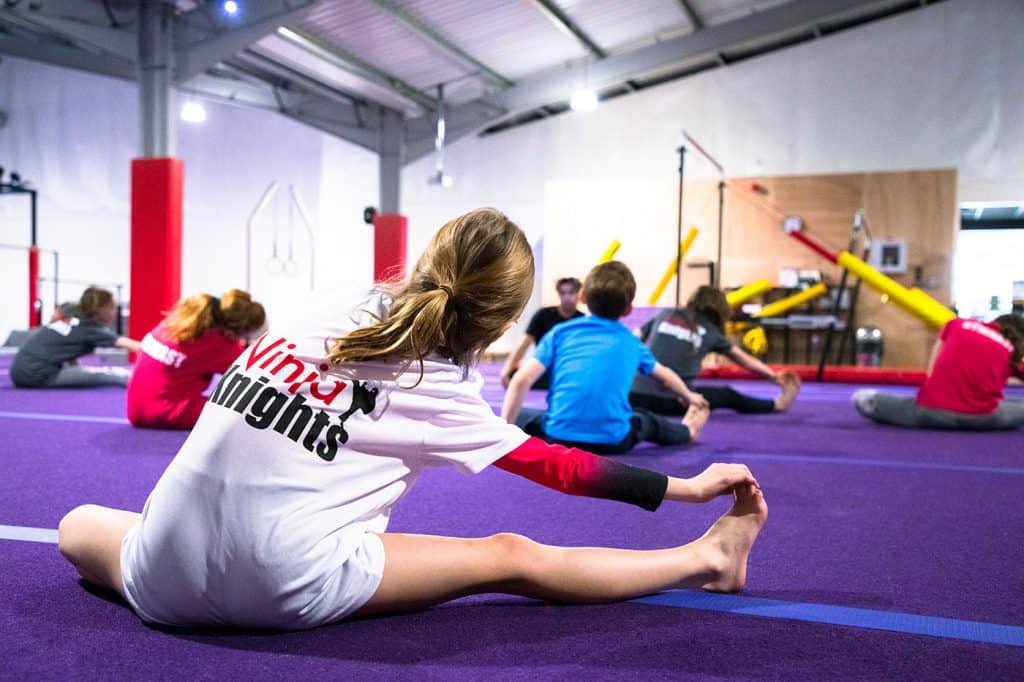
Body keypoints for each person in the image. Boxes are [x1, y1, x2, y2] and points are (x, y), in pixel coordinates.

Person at [57, 208, 767, 630]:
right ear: (505, 318)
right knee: (512, 555)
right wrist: (688, 487)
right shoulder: (442, 389)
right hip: (283, 583)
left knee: (75, 524)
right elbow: (560, 468)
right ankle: (706, 558)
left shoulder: (316, 310)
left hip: (159, 580)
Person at [502, 261, 711, 455]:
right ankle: (687, 432)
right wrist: (688, 395)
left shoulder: (560, 333)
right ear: (629, 309)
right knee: (646, 421)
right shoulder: (631, 342)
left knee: (523, 416)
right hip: (612, 441)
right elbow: (664, 376)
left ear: (582, 296)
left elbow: (521, 380)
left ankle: (503, 430)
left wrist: (506, 429)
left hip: (558, 437)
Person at [629, 286, 801, 416]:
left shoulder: (666, 314)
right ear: (719, 310)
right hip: (675, 400)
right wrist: (774, 377)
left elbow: (634, 338)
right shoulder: (710, 331)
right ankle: (776, 405)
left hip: (632, 397)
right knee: (727, 395)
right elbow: (744, 360)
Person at [853, 314, 1024, 430]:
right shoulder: (1009, 350)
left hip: (929, 413)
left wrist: (932, 382)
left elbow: (936, 356)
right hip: (981, 419)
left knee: (863, 397)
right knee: (1005, 404)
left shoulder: (958, 323)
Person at [126, 289, 266, 430]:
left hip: (135, 410)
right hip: (168, 412)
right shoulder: (221, 345)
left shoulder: (176, 323)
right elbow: (256, 374)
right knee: (248, 410)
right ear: (237, 330)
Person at [10, 286, 139, 388]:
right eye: (112, 308)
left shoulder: (72, 316)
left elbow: (66, 348)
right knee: (108, 374)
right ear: (102, 309)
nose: (114, 312)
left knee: (85, 371)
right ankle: (141, 384)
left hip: (19, 372)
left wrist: (77, 370)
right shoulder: (90, 328)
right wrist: (158, 353)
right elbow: (132, 346)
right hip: (38, 375)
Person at [500, 277, 583, 389]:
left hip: (569, 369)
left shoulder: (582, 320)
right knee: (514, 376)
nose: (567, 297)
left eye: (571, 293)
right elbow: (524, 344)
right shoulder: (543, 315)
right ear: (558, 294)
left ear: (579, 294)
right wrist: (507, 370)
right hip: (543, 368)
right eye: (563, 293)